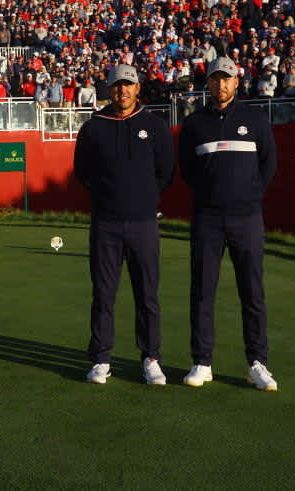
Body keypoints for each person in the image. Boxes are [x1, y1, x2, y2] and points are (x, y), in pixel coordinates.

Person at [178, 56, 278, 391]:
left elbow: (268, 164)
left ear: (237, 82)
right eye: (215, 79)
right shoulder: (194, 124)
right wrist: (212, 195)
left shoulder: (255, 118)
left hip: (247, 218)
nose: (221, 84)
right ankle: (202, 362)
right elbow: (188, 171)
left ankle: (257, 363)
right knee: (203, 292)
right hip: (207, 218)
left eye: (227, 79)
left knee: (252, 293)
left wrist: (248, 196)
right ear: (207, 83)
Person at [73, 64, 175, 386]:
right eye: (117, 86)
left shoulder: (154, 125)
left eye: (128, 85)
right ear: (109, 88)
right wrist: (109, 197)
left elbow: (166, 172)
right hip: (105, 224)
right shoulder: (94, 127)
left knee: (148, 295)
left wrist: (142, 198)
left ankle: (151, 358)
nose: (123, 91)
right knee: (103, 294)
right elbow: (83, 173)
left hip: (144, 223)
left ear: (137, 88)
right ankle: (101, 358)